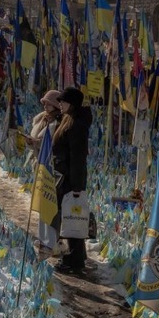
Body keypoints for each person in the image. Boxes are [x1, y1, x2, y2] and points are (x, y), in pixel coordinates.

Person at [52, 87, 93, 272]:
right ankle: (75, 257)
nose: (60, 104)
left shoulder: (77, 126)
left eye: (63, 101)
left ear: (72, 104)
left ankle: (75, 261)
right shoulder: (68, 121)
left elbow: (77, 157)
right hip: (65, 177)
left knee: (73, 218)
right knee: (70, 217)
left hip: (71, 180)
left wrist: (76, 187)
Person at [27, 90, 62, 256]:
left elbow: (51, 144)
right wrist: (31, 142)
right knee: (41, 204)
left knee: (49, 205)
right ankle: (43, 238)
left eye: (48, 103)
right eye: (44, 103)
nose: (45, 106)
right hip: (39, 165)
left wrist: (37, 143)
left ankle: (51, 240)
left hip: (50, 169)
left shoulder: (58, 123)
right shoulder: (41, 119)